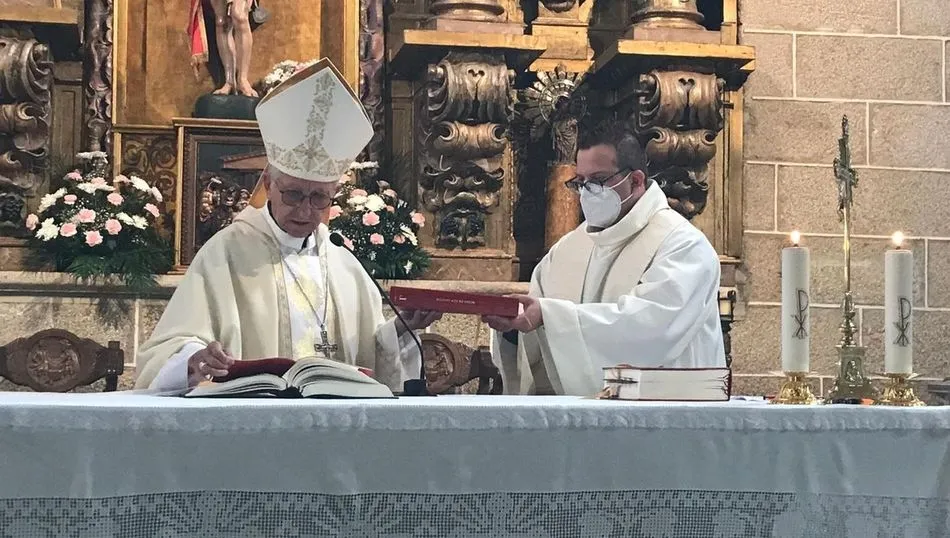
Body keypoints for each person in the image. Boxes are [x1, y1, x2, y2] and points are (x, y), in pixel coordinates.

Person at [135, 59, 441, 391]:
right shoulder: (227, 252)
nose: (306, 210)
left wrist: (400, 328)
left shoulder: (343, 262)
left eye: (319, 198)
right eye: (294, 194)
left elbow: (369, 352)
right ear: (268, 182)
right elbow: (171, 345)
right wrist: (194, 359)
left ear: (335, 194)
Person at [483, 119, 725, 396]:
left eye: (597, 181)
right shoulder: (566, 251)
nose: (587, 192)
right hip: (579, 425)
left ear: (635, 180)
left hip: (664, 414)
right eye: (581, 182)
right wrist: (513, 329)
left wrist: (548, 315)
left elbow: (651, 330)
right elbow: (534, 336)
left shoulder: (683, 245)